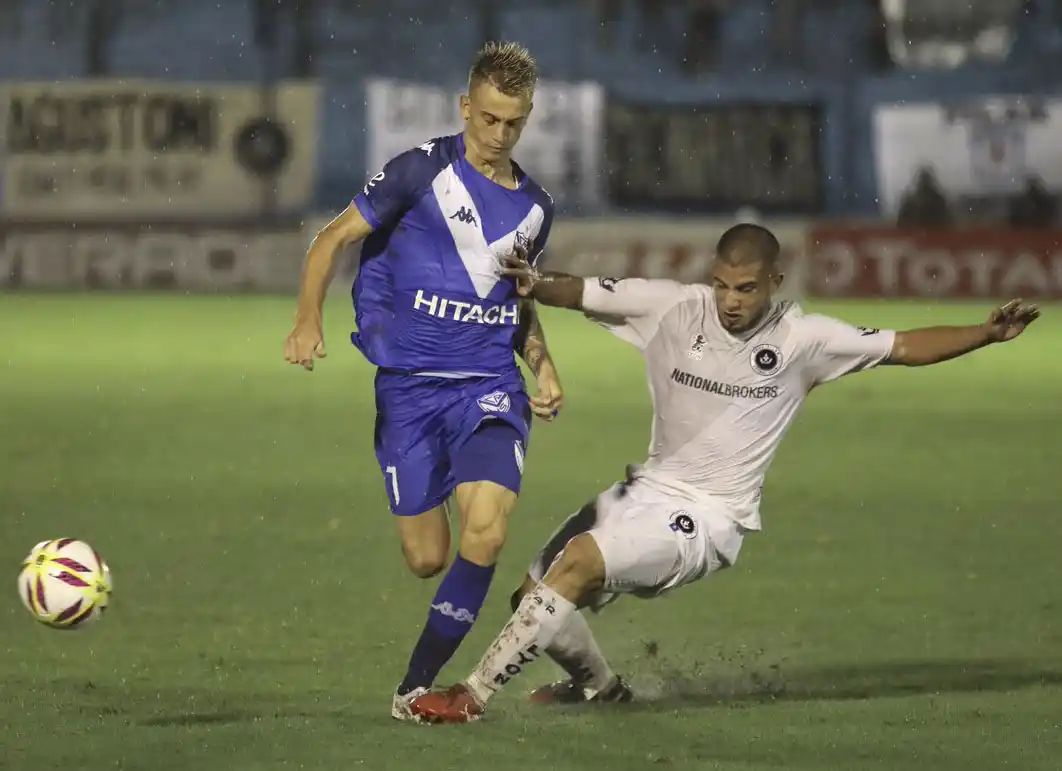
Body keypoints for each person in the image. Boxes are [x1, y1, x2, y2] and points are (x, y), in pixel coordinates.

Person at [409, 222, 1041, 724]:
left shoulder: (806, 339)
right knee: (535, 599)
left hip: (709, 517)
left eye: (746, 288)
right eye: (722, 285)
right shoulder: (674, 309)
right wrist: (530, 279)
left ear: (775, 282)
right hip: (644, 489)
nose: (731, 301)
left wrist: (984, 334)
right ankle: (601, 691)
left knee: (574, 564)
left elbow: (903, 346)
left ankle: (470, 696)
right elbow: (576, 290)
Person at [283, 41, 563, 721]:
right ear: (466, 107)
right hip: (407, 390)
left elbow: (516, 299)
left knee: (487, 531)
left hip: (486, 385)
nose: (498, 135)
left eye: (513, 123)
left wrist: (543, 363)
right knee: (425, 557)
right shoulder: (417, 172)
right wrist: (307, 318)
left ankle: (416, 687)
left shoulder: (535, 208)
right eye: (488, 118)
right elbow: (330, 238)